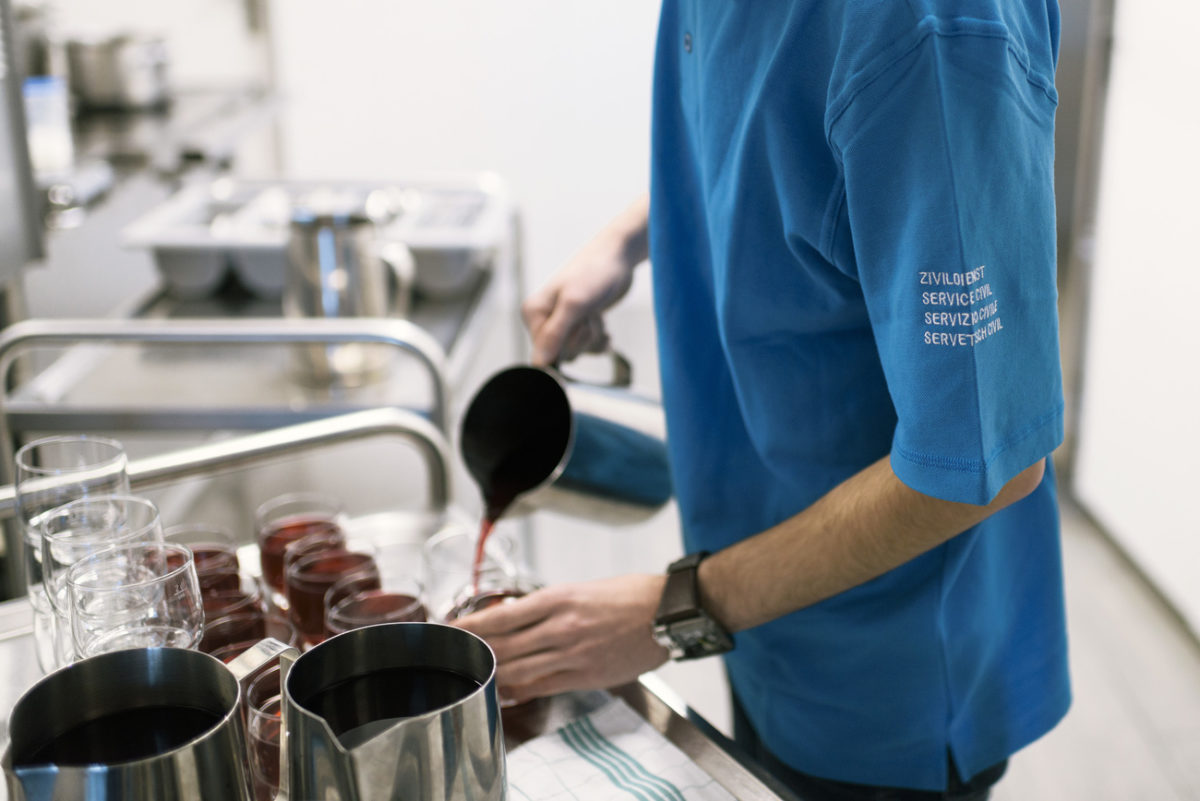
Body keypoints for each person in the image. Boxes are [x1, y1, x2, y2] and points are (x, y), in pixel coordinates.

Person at [455, 2, 1070, 798]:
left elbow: (983, 462)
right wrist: (633, 234)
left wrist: (673, 608)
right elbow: (785, 134)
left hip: (886, 685)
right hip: (758, 600)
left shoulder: (926, 32)